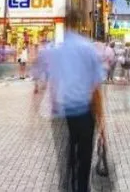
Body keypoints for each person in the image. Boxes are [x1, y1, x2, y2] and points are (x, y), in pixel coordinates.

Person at [45, 10, 104, 192]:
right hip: (84, 110)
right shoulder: (87, 48)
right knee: (84, 156)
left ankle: (67, 185)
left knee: (66, 154)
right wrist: (101, 119)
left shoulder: (58, 50)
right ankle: (81, 187)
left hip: (63, 111)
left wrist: (53, 106)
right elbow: (95, 87)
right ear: (79, 23)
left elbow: (53, 82)